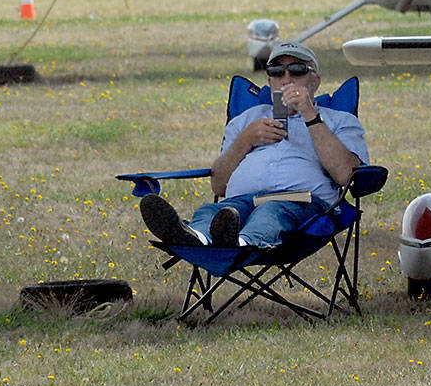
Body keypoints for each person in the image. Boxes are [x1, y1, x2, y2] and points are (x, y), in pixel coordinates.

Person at [139, 41, 368, 249]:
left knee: (271, 211)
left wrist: (310, 116)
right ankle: (195, 237)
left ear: (314, 81)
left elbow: (347, 175)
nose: (286, 79)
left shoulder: (338, 121)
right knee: (215, 211)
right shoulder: (247, 120)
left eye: (297, 70)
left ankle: (240, 243)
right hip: (240, 201)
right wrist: (245, 140)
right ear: (269, 82)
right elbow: (219, 185)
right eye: (277, 72)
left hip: (301, 202)